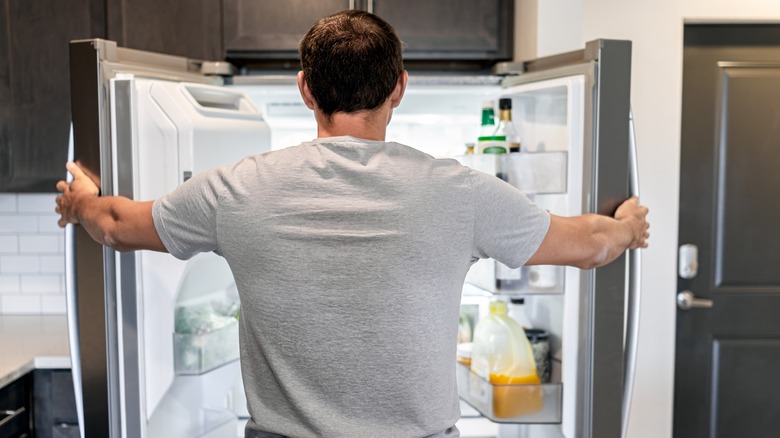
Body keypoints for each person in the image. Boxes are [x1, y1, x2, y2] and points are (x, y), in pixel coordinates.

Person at [55, 10, 649, 438]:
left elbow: (113, 224)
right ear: (399, 88)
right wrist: (627, 226)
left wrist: (79, 199)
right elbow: (590, 245)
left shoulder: (236, 188)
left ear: (306, 89)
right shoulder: (461, 193)